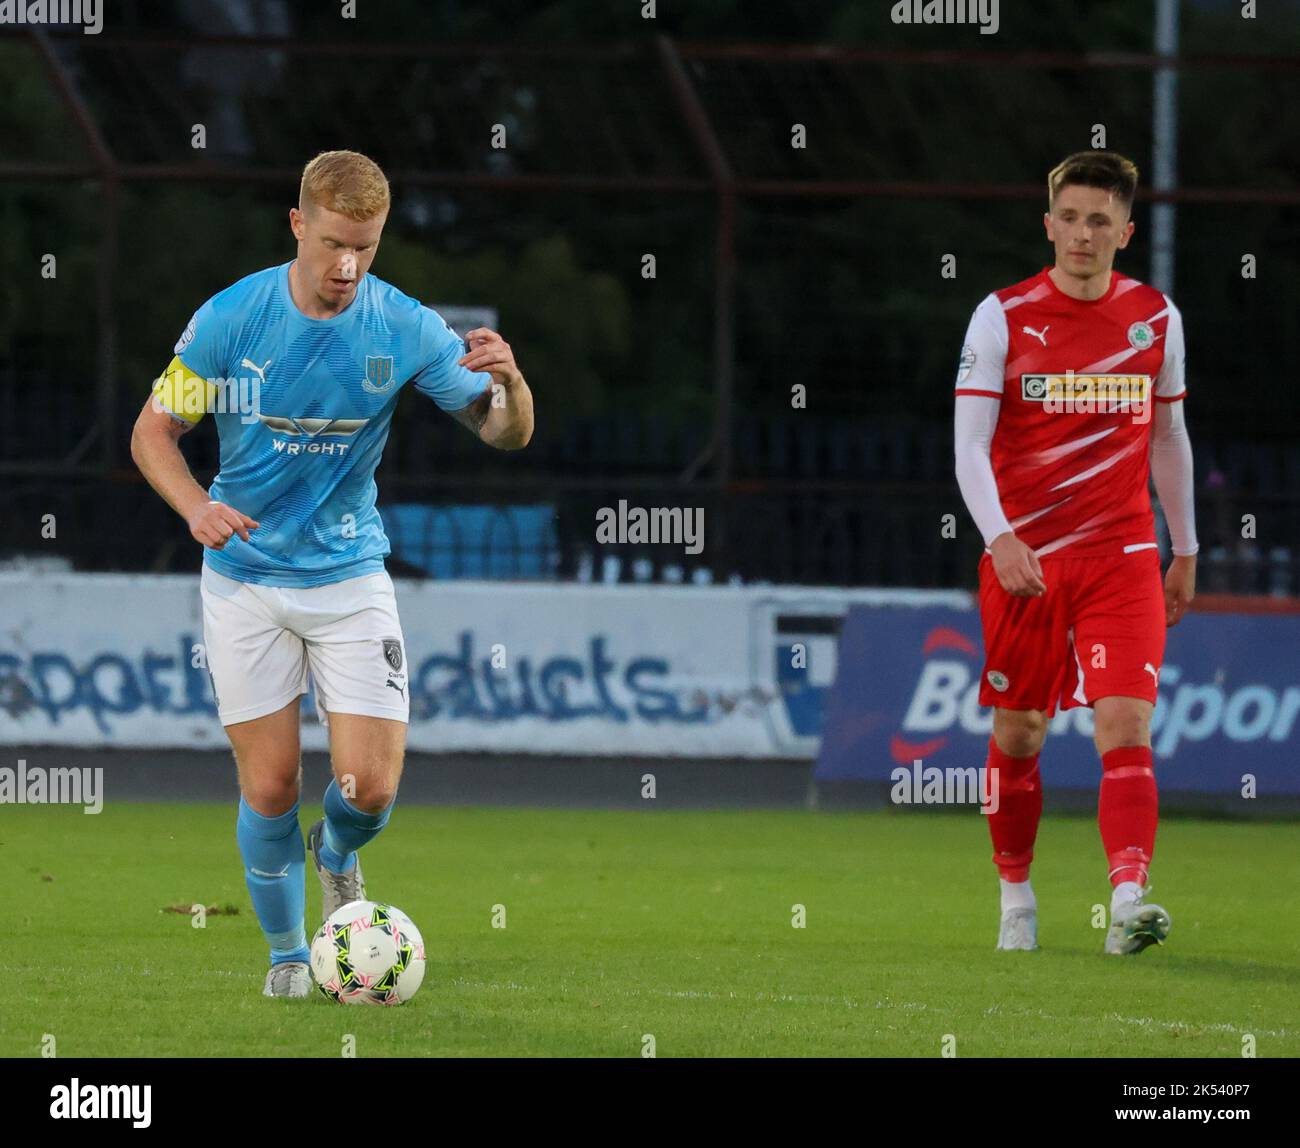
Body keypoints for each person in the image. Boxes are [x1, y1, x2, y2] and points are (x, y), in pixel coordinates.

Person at [131, 150, 534, 996]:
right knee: (272, 783)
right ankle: (287, 957)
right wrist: (195, 506)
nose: (347, 266)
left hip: (350, 577)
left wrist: (512, 385)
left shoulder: (403, 327)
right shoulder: (231, 320)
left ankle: (338, 852)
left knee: (371, 788)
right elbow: (152, 434)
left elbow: (504, 434)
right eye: (333, 243)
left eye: (367, 247)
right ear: (298, 226)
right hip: (243, 577)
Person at [953, 151, 1196, 955]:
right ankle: (1015, 893)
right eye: (1071, 216)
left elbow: (1168, 435)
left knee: (1124, 719)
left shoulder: (1156, 319)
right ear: (1048, 222)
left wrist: (1184, 547)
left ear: (1125, 232)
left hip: (1123, 554)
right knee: (1019, 730)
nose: (1083, 234)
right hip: (1026, 560)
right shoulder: (1003, 315)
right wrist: (1001, 537)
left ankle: (1128, 899)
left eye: (1101, 220)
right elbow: (969, 447)